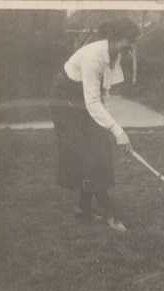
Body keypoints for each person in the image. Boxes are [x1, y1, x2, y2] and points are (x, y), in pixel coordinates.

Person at [50, 17, 140, 232]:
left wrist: (108, 125)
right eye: (130, 40)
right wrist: (117, 130)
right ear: (117, 38)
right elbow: (92, 102)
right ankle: (110, 214)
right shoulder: (93, 56)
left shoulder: (113, 54)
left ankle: (83, 207)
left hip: (82, 100)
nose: (132, 46)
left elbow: (104, 93)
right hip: (66, 102)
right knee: (93, 154)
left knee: (98, 149)